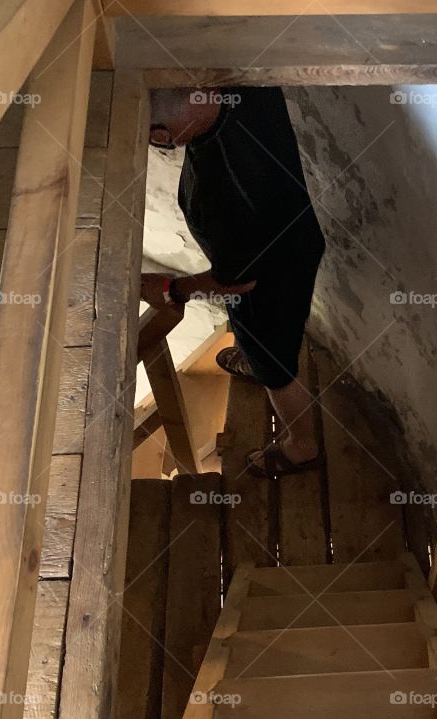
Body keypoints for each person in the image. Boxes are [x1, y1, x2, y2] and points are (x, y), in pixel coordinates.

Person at [142, 86, 325, 477]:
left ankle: (302, 448)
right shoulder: (245, 86)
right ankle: (253, 360)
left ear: (161, 134)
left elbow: (236, 283)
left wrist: (172, 289)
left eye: (154, 140)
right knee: (254, 339)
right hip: (292, 238)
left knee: (275, 366)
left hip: (269, 279)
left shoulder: (224, 199)